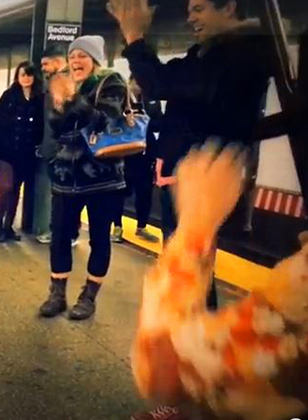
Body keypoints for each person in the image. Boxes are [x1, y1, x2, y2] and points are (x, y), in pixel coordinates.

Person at [109, 1, 275, 417]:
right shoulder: (217, 52)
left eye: (199, 7)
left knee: (188, 283)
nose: (190, 17)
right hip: (192, 176)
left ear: (230, 6)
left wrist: (135, 36)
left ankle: (191, 393)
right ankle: (198, 385)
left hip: (207, 181)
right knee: (188, 281)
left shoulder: (241, 52)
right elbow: (171, 89)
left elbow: (167, 84)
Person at [38, 36, 127, 321]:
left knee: (99, 237)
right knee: (60, 236)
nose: (75, 61)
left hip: (102, 177)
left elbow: (105, 120)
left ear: (95, 59)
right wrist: (61, 105)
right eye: (72, 55)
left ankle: (89, 297)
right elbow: (55, 125)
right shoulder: (61, 82)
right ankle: (57, 293)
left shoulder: (111, 82)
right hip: (66, 174)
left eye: (82, 56)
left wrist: (73, 100)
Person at [0, 61, 44, 242]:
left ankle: (8, 227)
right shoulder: (9, 96)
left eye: (29, 74)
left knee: (16, 189)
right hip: (5, 151)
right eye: (23, 75)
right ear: (17, 77)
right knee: (6, 187)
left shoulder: (40, 98)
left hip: (25, 153)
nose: (26, 78)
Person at [110, 77, 162, 244]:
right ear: (130, 83)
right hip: (126, 154)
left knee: (145, 192)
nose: (139, 87)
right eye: (137, 83)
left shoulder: (151, 101)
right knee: (120, 191)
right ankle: (117, 226)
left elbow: (158, 124)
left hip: (146, 154)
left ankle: (142, 226)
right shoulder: (121, 101)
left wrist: (147, 118)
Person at [34, 48, 70, 245]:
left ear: (57, 62)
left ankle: (55, 231)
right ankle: (58, 231)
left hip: (60, 147)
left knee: (58, 192)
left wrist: (52, 146)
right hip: (56, 146)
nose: (43, 68)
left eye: (46, 64)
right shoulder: (56, 81)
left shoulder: (62, 82)